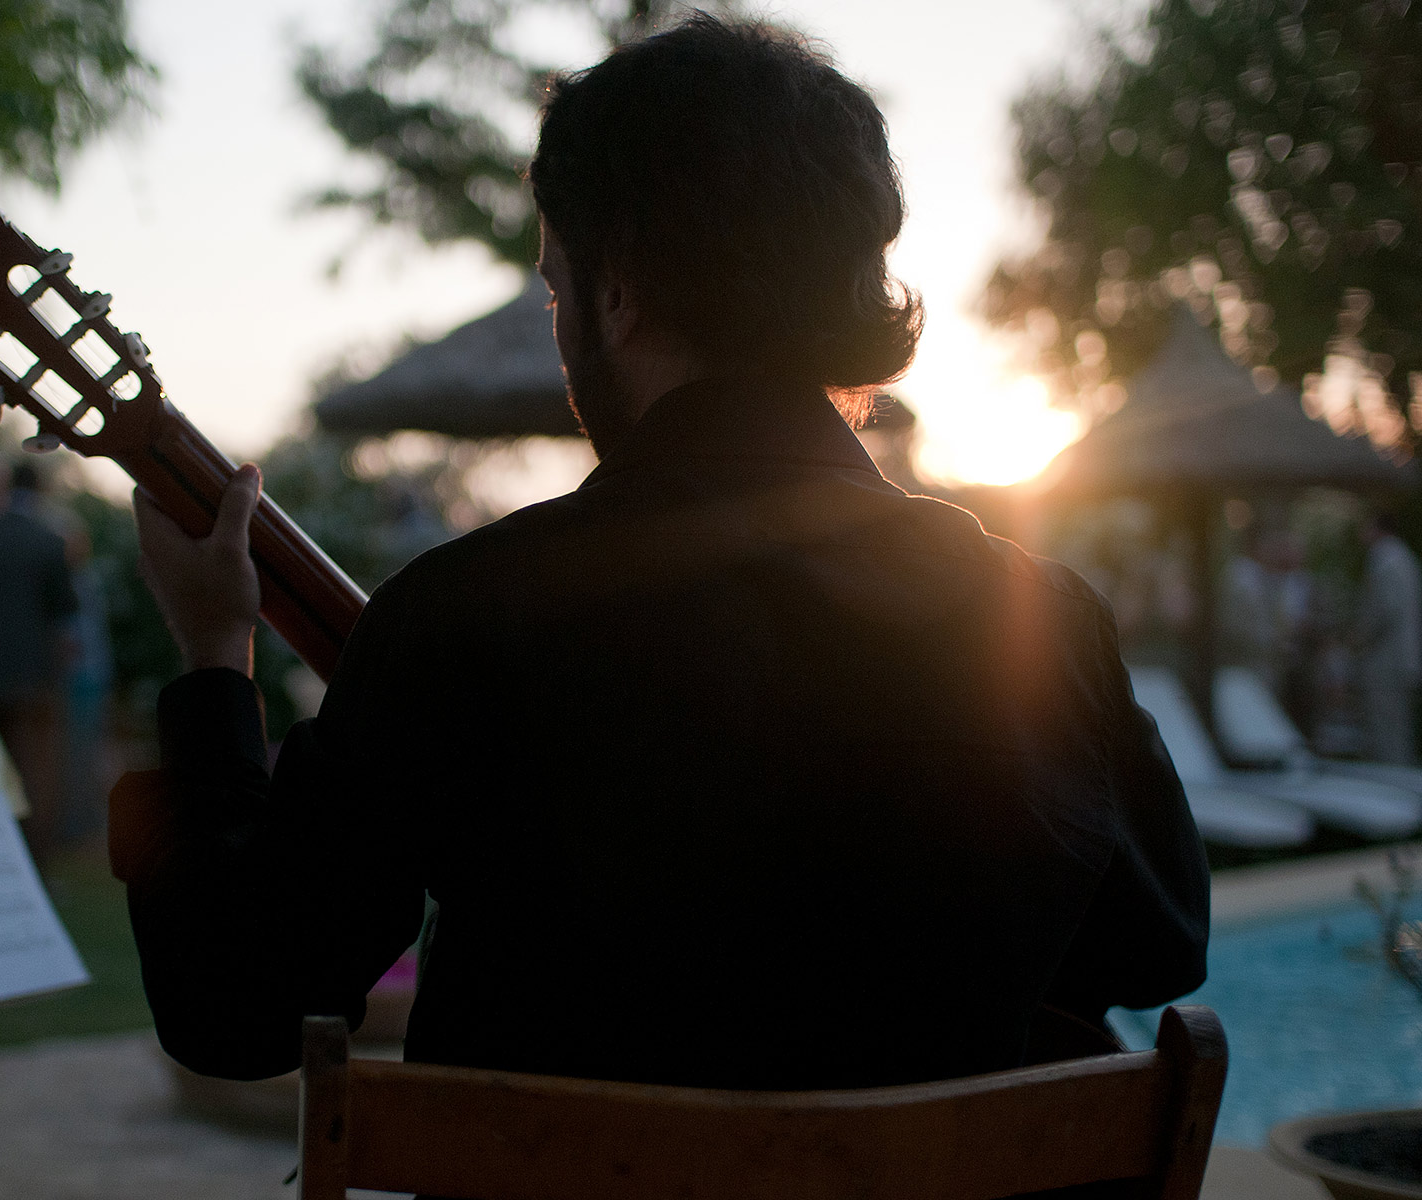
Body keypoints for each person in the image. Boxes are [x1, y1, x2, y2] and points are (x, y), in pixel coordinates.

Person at [125, 16, 1209, 1093]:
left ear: (620, 289)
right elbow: (1153, 949)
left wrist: (216, 655)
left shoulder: (463, 618)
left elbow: (236, 1007)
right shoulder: (1042, 623)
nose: (560, 333)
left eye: (558, 289)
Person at [0, 454, 79, 865]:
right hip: (34, 678)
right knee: (35, 770)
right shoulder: (49, 541)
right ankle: (35, 857)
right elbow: (66, 618)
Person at [1356, 511, 1422, 765]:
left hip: (1387, 660)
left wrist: (1360, 638)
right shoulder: (1404, 558)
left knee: (1386, 728)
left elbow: (1384, 610)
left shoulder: (1385, 559)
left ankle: (1390, 782)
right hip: (1402, 657)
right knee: (1398, 726)